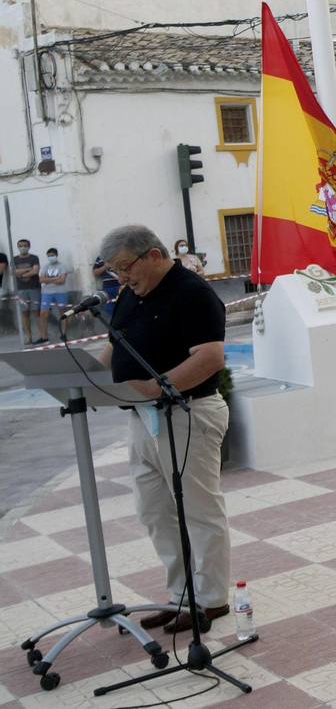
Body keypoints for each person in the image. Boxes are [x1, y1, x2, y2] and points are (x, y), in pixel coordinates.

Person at [95, 225, 232, 635]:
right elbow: (114, 347)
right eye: (114, 272)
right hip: (142, 418)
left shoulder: (191, 292)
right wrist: (85, 379)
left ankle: (211, 600)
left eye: (125, 268)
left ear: (153, 255)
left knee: (198, 509)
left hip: (187, 413)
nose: (121, 278)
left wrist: (157, 387)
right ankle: (180, 596)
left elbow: (210, 357)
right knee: (154, 510)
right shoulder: (128, 296)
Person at [14, 240, 43, 345]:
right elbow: (12, 272)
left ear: (29, 246)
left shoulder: (34, 258)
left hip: (34, 287)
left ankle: (42, 335)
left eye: (25, 246)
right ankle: (29, 336)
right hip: (21, 289)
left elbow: (35, 271)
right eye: (20, 246)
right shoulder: (15, 259)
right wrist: (27, 270)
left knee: (37, 312)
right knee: (24, 313)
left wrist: (21, 274)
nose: (22, 247)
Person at [40, 248, 71, 332]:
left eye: (52, 255)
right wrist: (55, 278)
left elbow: (62, 280)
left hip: (60, 292)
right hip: (47, 292)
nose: (50, 257)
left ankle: (63, 333)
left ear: (56, 255)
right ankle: (44, 337)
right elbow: (41, 280)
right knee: (43, 313)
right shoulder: (45, 267)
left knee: (63, 312)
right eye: (49, 256)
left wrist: (48, 279)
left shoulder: (62, 266)